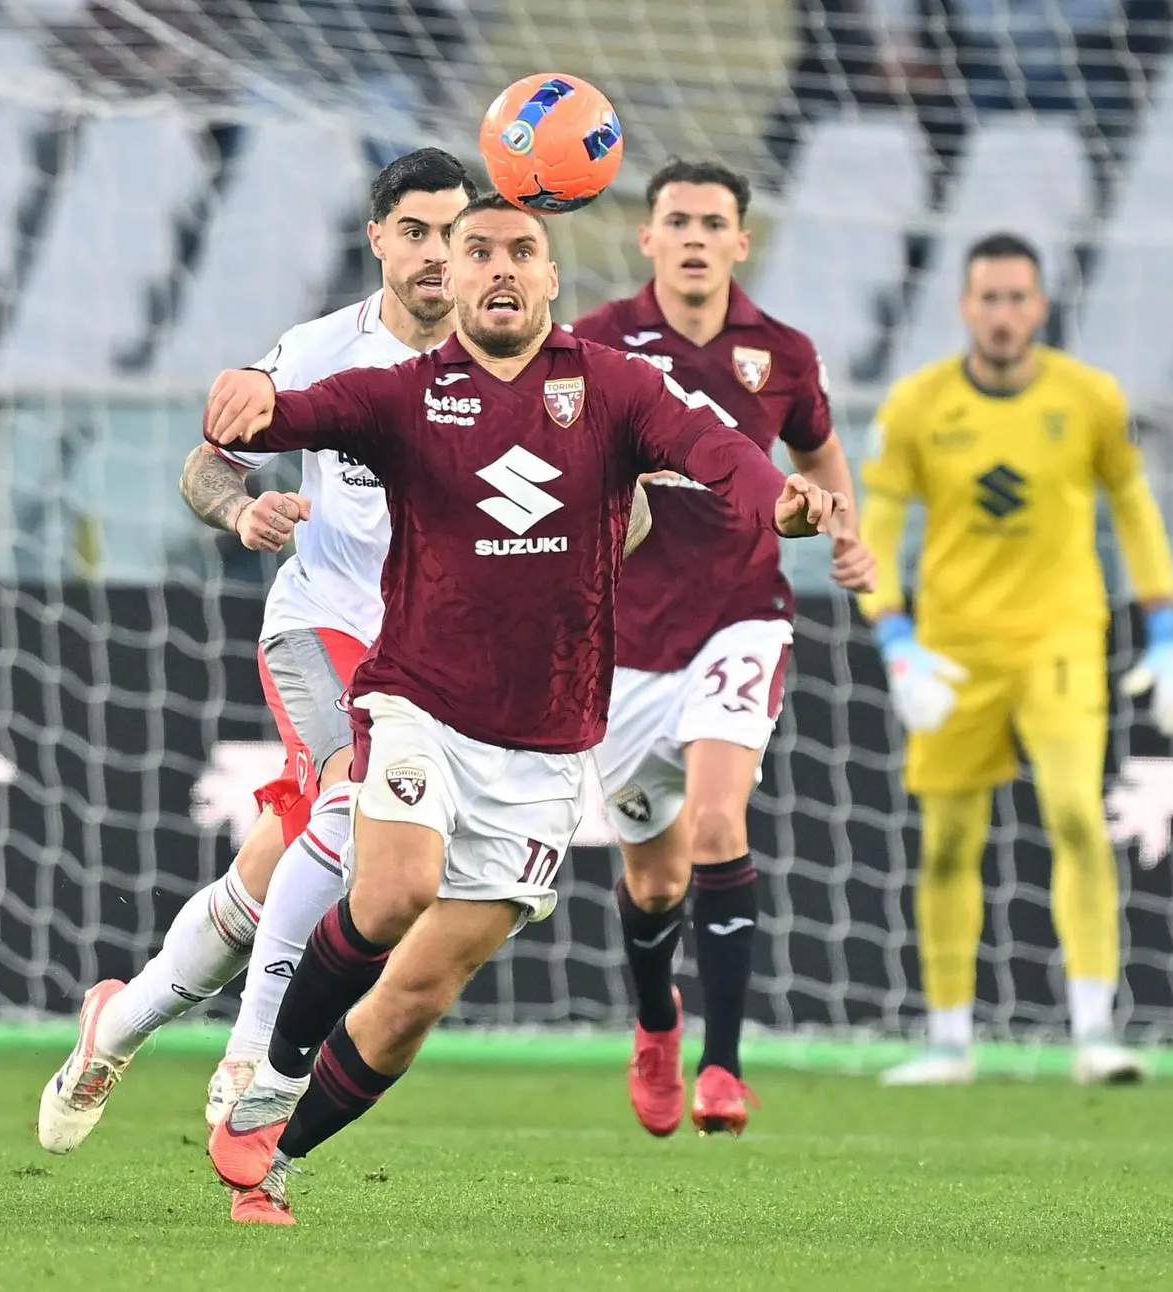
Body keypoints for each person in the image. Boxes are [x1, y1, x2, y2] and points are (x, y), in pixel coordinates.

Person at [202, 194, 843, 1224]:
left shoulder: (618, 388)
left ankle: (276, 1158)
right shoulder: (402, 395)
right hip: (417, 703)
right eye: (479, 251)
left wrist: (785, 500)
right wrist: (244, 392)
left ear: (552, 279)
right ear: (449, 278)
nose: (501, 267)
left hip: (546, 746)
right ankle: (266, 1081)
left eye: (523, 251)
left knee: (417, 997)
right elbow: (285, 414)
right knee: (394, 888)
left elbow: (718, 450)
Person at [36, 148, 478, 1157]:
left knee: (278, 870)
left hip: (436, 663)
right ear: (377, 238)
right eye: (415, 231)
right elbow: (207, 465)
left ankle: (120, 1020)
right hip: (323, 626)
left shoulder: (510, 365)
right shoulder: (320, 350)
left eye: (456, 235)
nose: (435, 256)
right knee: (344, 790)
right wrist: (241, 510)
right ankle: (250, 1058)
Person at [568, 158, 873, 1137]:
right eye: (676, 220)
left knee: (715, 823)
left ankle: (725, 1064)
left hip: (743, 615)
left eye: (712, 222)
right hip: (623, 643)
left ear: (743, 240)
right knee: (652, 877)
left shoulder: (780, 352)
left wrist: (845, 528)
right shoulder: (596, 345)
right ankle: (657, 1019)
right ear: (646, 237)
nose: (694, 236)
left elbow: (818, 452)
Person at [860, 231, 1173, 1087]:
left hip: (1061, 639)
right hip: (955, 650)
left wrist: (1165, 629)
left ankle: (1094, 1032)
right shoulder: (918, 406)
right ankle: (950, 1039)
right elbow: (875, 531)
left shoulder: (1091, 399)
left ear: (1041, 306)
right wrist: (894, 638)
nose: (1002, 315)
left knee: (1076, 816)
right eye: (988, 298)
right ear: (965, 306)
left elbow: (1136, 511)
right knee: (949, 842)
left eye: (1017, 299)